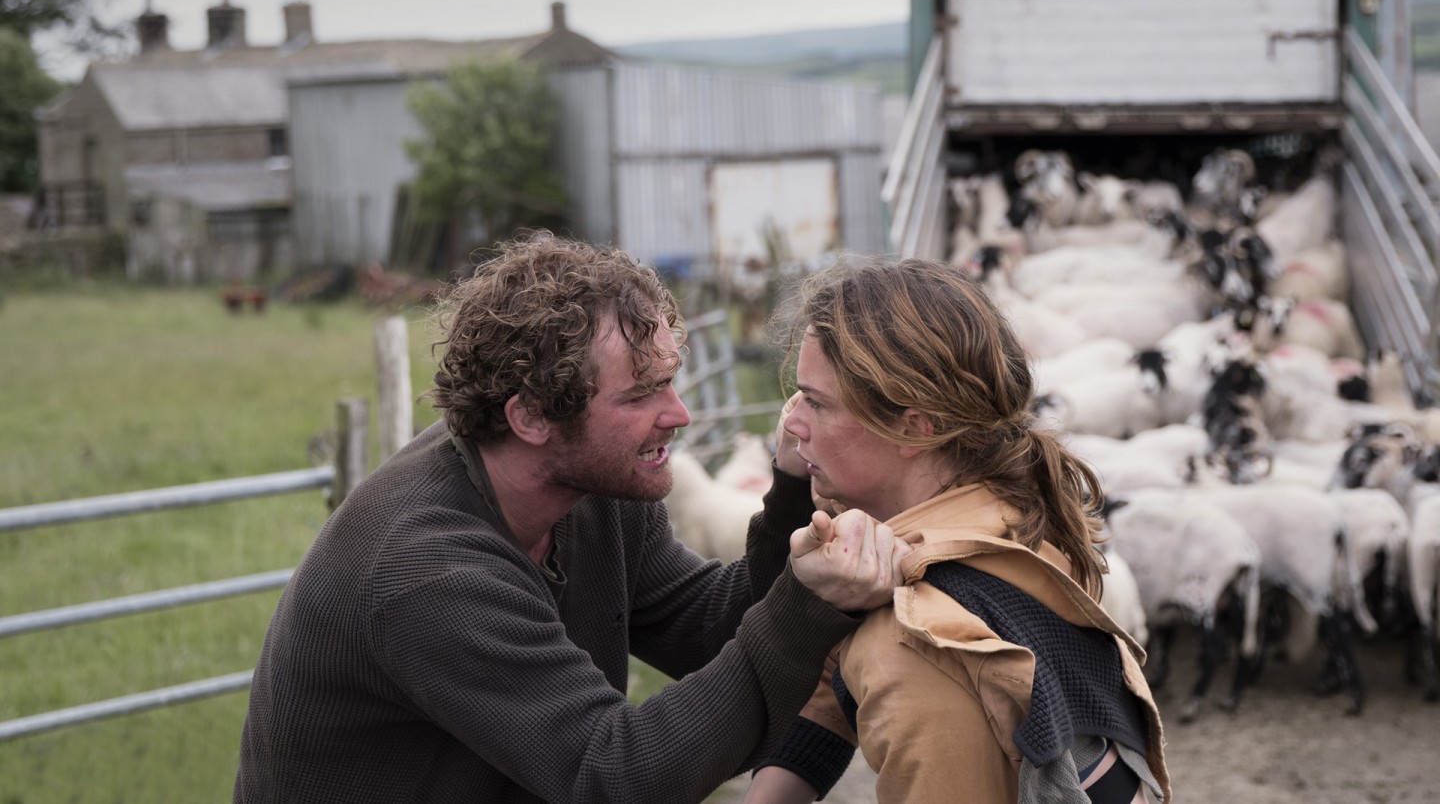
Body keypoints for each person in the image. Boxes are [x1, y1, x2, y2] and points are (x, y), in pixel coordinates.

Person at [233, 233, 909, 803]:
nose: (680, 415)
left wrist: (793, 492)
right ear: (530, 415)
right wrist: (807, 602)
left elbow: (709, 628)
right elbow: (613, 775)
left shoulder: (589, 493)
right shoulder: (426, 570)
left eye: (671, 379)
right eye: (643, 393)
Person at [743, 257, 1171, 803]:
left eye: (817, 403)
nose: (791, 423)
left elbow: (903, 664)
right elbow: (833, 683)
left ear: (914, 427)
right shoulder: (1019, 517)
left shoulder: (915, 641)